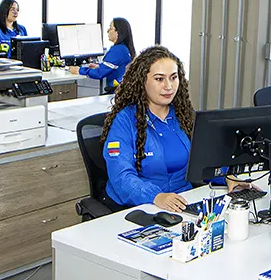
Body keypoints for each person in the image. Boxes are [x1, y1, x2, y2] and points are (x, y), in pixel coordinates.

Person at [101, 45, 246, 211]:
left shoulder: (184, 115)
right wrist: (155, 196)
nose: (168, 86)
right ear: (142, 81)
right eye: (159, 79)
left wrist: (228, 177)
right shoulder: (124, 120)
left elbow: (206, 160)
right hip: (136, 207)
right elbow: (121, 176)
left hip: (183, 201)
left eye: (173, 77)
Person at [70, 17, 134, 92]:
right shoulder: (124, 48)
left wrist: (79, 70)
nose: (107, 31)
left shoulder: (117, 51)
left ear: (118, 32)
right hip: (122, 90)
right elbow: (117, 67)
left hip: (115, 92)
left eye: (110, 28)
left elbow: (99, 74)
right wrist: (100, 66)